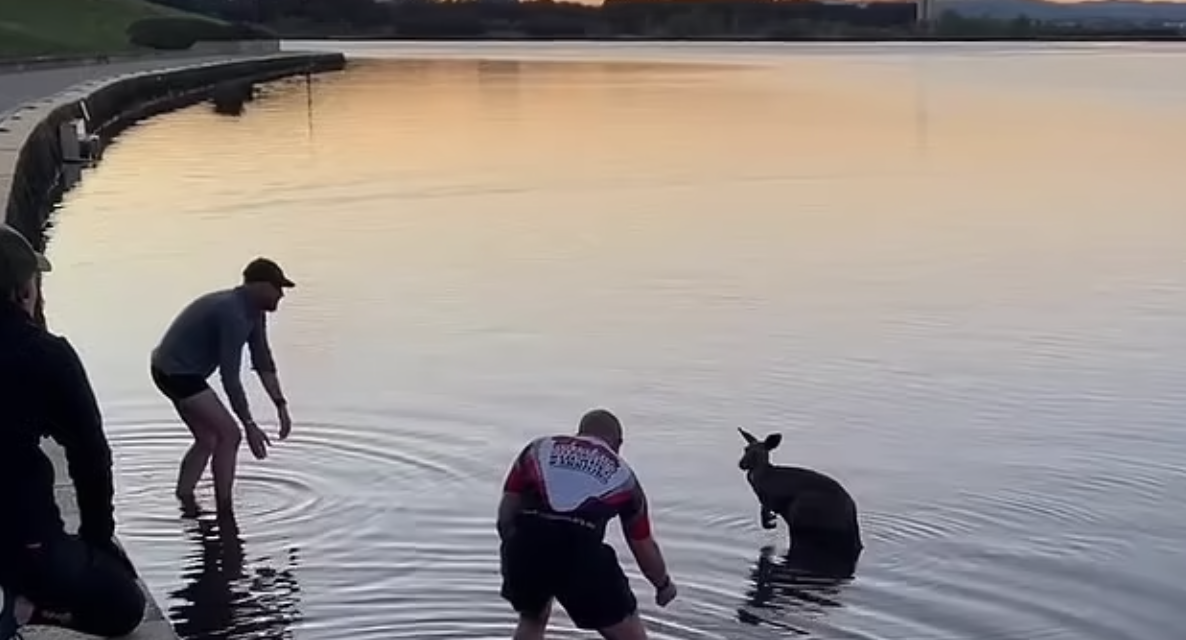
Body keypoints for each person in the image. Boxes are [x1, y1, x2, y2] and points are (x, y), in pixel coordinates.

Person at [0, 224, 146, 639]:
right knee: (124, 605)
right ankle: (27, 609)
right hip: (22, 541)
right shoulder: (45, 356)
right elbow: (90, 455)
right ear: (23, 291)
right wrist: (98, 538)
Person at [497, 408, 678, 640]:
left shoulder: (537, 449)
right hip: (581, 556)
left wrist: (516, 549)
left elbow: (506, 514)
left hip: (526, 545)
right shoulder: (624, 477)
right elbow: (642, 544)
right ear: (618, 443)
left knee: (532, 618)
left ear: (579, 433)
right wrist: (662, 584)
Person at [149, 257, 295, 514]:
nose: (281, 295)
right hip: (176, 372)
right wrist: (249, 424)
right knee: (231, 434)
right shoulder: (232, 314)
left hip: (172, 369)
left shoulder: (254, 312)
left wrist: (280, 405)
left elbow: (263, 360)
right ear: (259, 286)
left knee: (207, 438)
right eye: (277, 287)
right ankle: (225, 510)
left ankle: (185, 500)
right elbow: (230, 377)